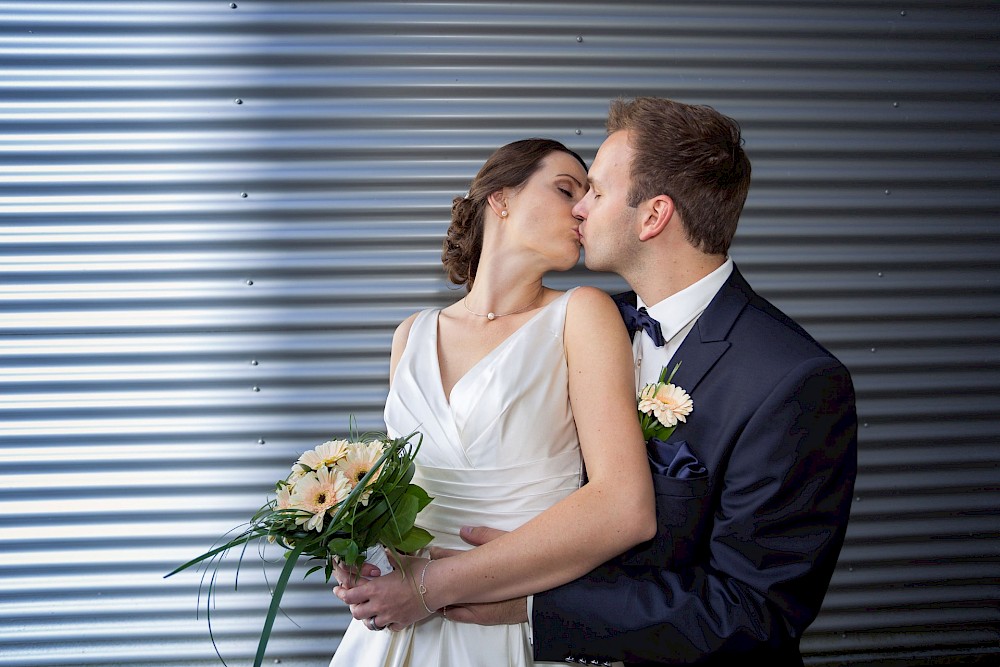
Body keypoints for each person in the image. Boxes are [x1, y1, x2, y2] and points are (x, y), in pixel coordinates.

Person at [409, 98, 859, 665]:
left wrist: (537, 603)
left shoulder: (793, 382)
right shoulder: (574, 325)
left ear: (653, 216)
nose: (579, 210)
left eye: (594, 191)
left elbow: (751, 612)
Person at [328, 138, 657, 666]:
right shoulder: (411, 335)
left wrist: (430, 587)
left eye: (588, 195)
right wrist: (360, 556)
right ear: (500, 199)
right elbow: (398, 501)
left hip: (508, 627)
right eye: (566, 188)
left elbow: (623, 505)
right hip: (398, 631)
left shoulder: (582, 314)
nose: (581, 208)